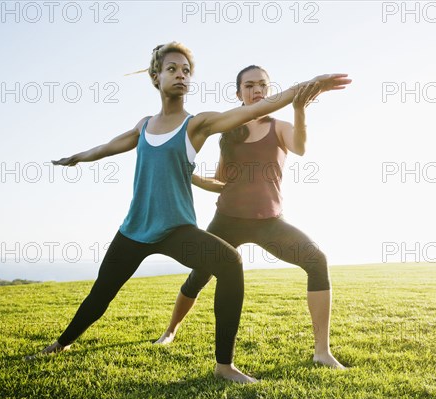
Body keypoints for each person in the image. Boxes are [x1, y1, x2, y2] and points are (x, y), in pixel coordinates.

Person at [31, 42, 351, 384]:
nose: (181, 75)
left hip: (179, 229)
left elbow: (270, 107)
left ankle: (225, 365)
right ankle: (61, 343)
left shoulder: (198, 125)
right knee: (101, 294)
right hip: (135, 229)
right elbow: (108, 146)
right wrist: (77, 156)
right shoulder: (144, 126)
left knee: (230, 264)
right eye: (172, 69)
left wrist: (310, 85)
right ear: (156, 77)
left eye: (186, 71)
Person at [155, 65, 345, 369]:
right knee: (199, 275)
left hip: (269, 221)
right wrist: (189, 176)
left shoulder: (279, 126)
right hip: (227, 219)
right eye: (250, 86)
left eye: (262, 85)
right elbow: (221, 181)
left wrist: (299, 109)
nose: (257, 90)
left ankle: (322, 351)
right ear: (238, 93)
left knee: (317, 261)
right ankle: (170, 331)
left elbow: (300, 148)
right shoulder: (228, 132)